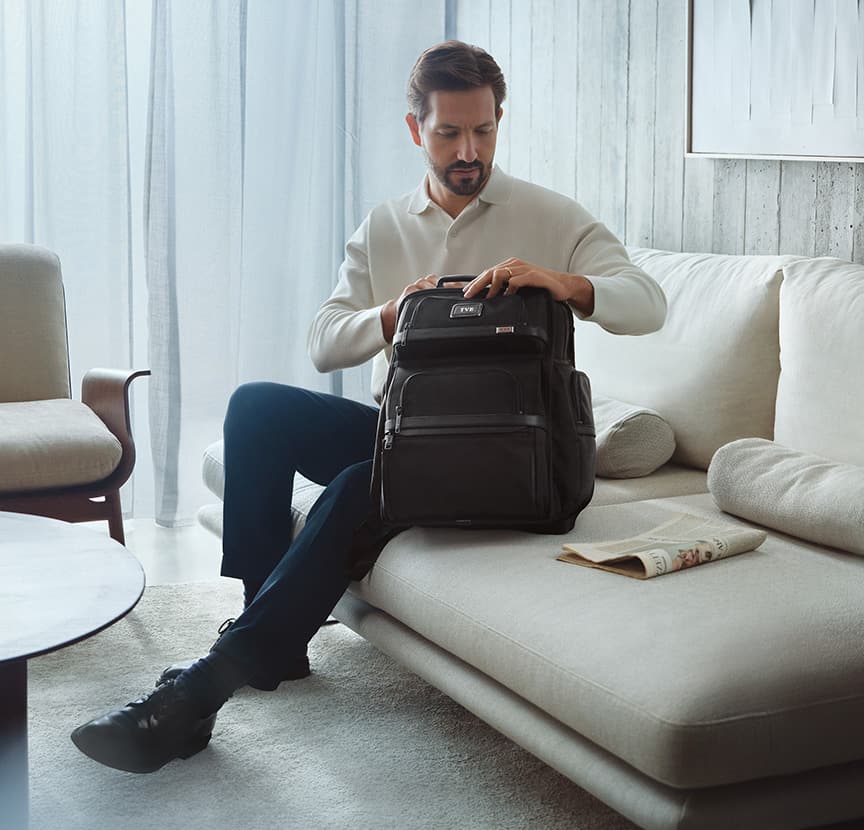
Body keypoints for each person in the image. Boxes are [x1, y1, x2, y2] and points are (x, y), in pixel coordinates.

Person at [70, 40, 667, 774]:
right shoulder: (386, 226)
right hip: (412, 438)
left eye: (482, 130)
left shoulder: (549, 215)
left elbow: (649, 304)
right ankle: (272, 630)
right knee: (258, 406)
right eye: (449, 132)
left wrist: (563, 281)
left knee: (363, 482)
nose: (468, 149)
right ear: (417, 130)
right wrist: (393, 311)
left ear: (499, 121)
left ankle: (202, 690)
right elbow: (325, 343)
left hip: (519, 462)